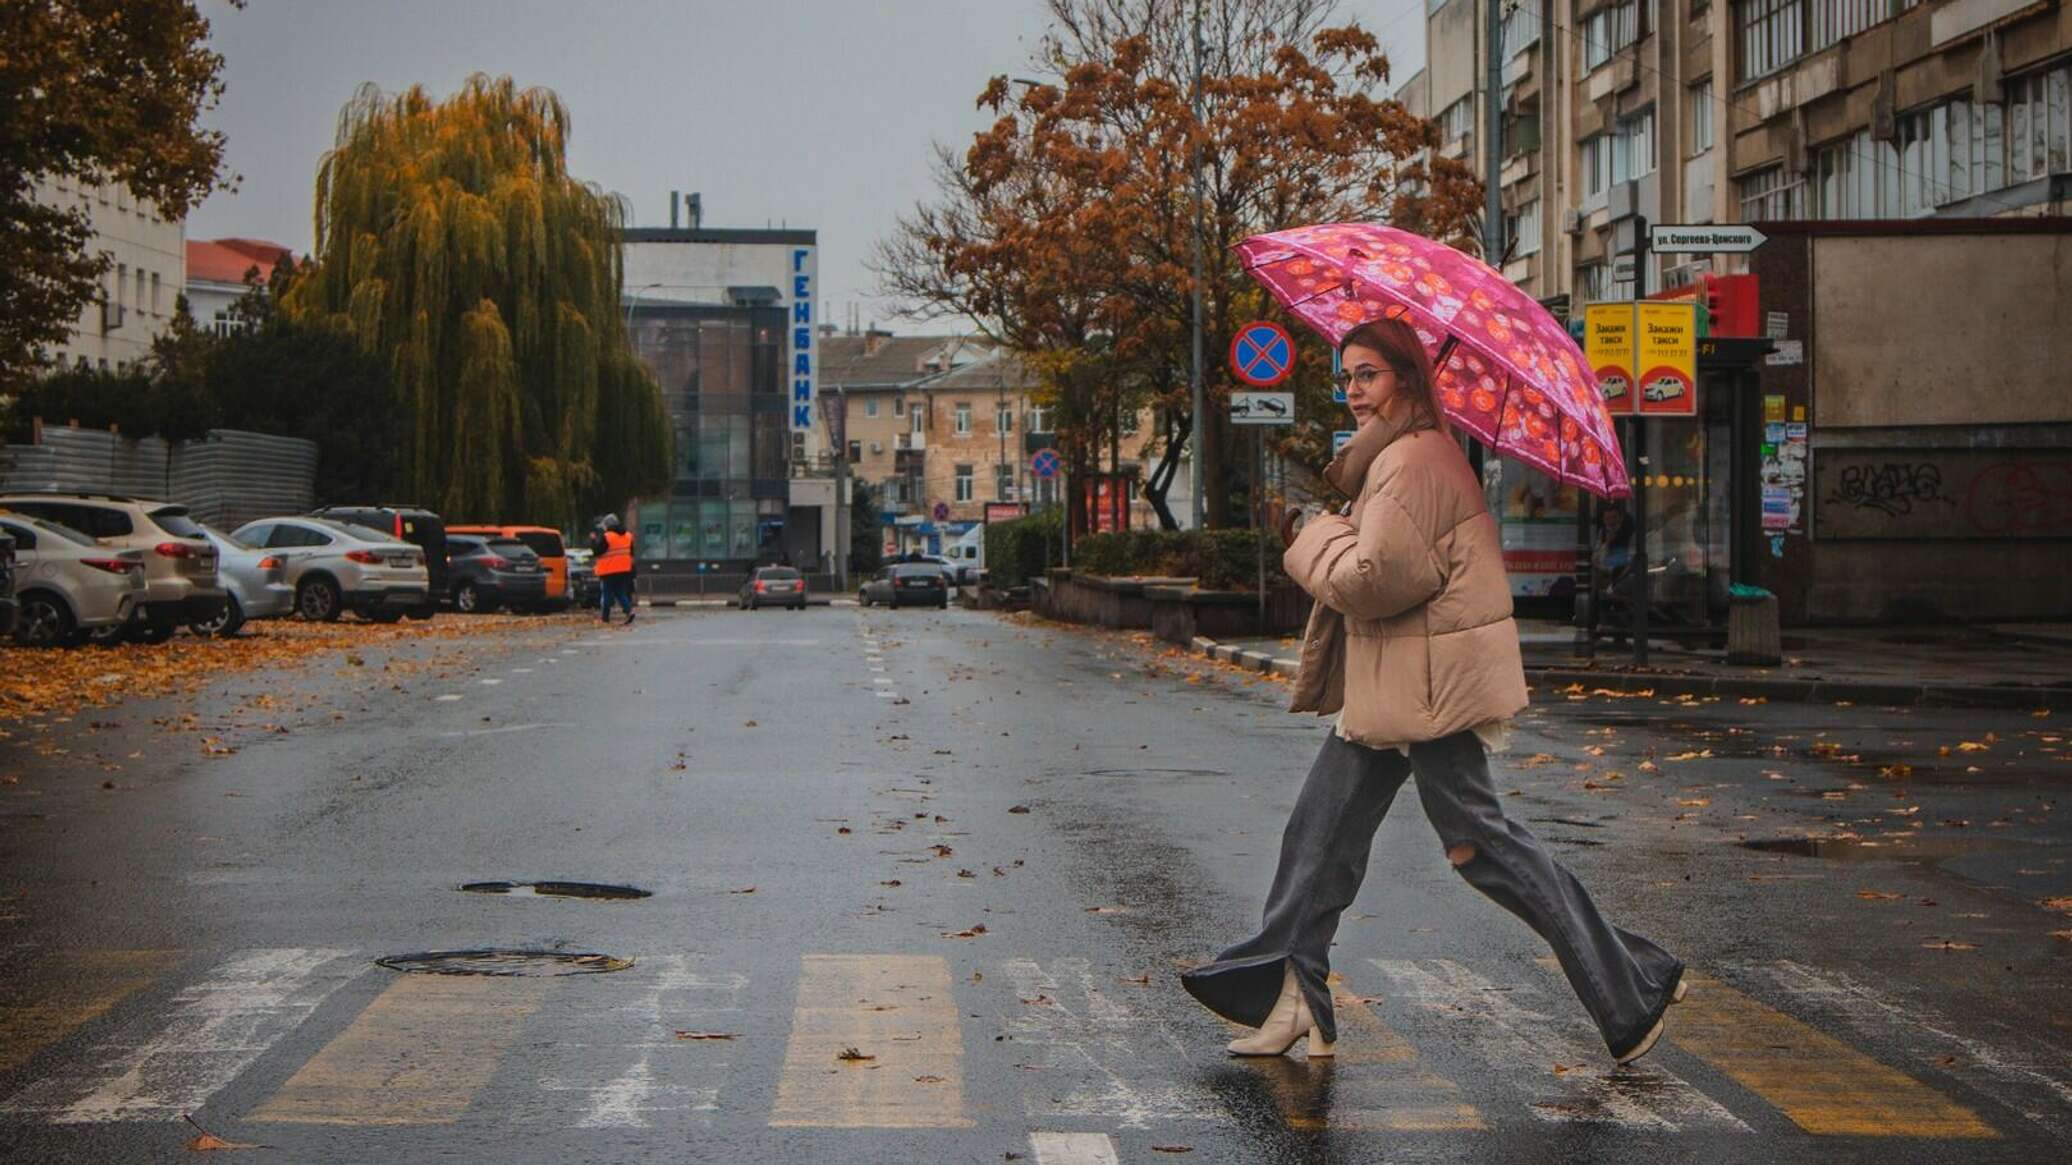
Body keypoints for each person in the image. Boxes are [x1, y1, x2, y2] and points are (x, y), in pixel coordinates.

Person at [1181, 315, 1684, 1065]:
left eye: (1368, 375)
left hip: (1424, 688)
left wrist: (1311, 539)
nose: (1352, 391)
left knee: (1483, 846)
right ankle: (1292, 993)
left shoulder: (1412, 461)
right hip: (1397, 682)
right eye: (1346, 375)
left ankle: (1632, 986)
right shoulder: (1400, 456)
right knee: (1320, 835)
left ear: (1408, 380)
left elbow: (1376, 580)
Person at [592, 514, 636, 625]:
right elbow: (631, 553)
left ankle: (605, 618)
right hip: (624, 570)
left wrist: (593, 541)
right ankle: (629, 611)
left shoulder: (607, 536)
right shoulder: (628, 536)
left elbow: (597, 551)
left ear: (607, 525)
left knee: (607, 594)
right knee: (620, 593)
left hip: (608, 570)